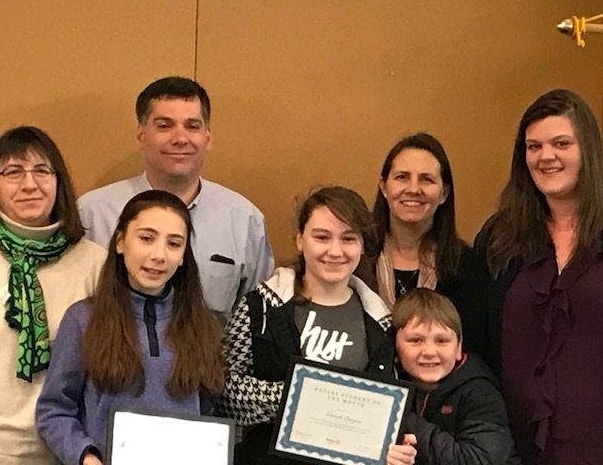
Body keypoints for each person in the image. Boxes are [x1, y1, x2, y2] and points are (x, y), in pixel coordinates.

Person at [474, 89, 603, 463]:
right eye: (534, 147)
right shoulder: (500, 235)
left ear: (588, 150)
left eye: (561, 143)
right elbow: (475, 340)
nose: (546, 156)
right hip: (516, 451)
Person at [36, 190, 224, 465]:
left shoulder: (204, 325)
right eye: (146, 238)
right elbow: (54, 409)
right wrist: (85, 456)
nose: (159, 255)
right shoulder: (83, 319)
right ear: (121, 242)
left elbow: (208, 411)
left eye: (174, 244)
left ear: (184, 256)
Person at [219, 186, 394, 465]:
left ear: (362, 245)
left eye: (348, 238)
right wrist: (304, 396)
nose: (335, 251)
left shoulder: (380, 322)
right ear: (301, 240)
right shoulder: (260, 307)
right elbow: (224, 391)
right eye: (322, 237)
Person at [78, 76, 274, 323]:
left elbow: (258, 324)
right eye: (164, 125)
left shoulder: (245, 222)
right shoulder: (92, 215)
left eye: (192, 126)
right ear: (141, 135)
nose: (180, 138)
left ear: (208, 137)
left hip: (212, 361)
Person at [0, 126, 106, 465]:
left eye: (42, 170)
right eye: (13, 172)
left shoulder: (95, 263)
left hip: (68, 453)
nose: (30, 184)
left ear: (58, 181)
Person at [386, 288, 518, 465]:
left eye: (442, 341)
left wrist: (400, 416)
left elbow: (479, 461)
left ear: (458, 347)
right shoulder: (389, 384)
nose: (429, 352)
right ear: (395, 346)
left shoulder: (480, 392)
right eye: (415, 340)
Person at [373, 133, 480, 350]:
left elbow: (474, 350)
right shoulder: (354, 259)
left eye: (426, 179)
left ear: (444, 193)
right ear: (384, 187)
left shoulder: (468, 266)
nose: (413, 189)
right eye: (402, 177)